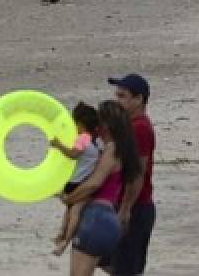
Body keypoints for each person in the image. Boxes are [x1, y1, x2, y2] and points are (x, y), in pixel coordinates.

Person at [64, 100, 142, 276]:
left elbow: (94, 183)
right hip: (108, 219)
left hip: (95, 219)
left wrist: (70, 198)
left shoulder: (111, 149)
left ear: (106, 125)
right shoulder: (122, 150)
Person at [102, 74, 156, 276]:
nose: (117, 101)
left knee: (126, 269)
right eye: (117, 96)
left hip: (136, 207)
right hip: (124, 204)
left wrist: (125, 208)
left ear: (139, 99)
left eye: (122, 96)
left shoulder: (140, 128)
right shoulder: (128, 127)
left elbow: (137, 173)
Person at [49, 102, 101, 256]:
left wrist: (59, 145)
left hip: (75, 182)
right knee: (73, 211)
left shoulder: (83, 138)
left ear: (80, 123)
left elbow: (73, 155)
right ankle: (64, 239)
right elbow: (75, 155)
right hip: (80, 182)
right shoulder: (89, 139)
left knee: (71, 211)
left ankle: (63, 237)